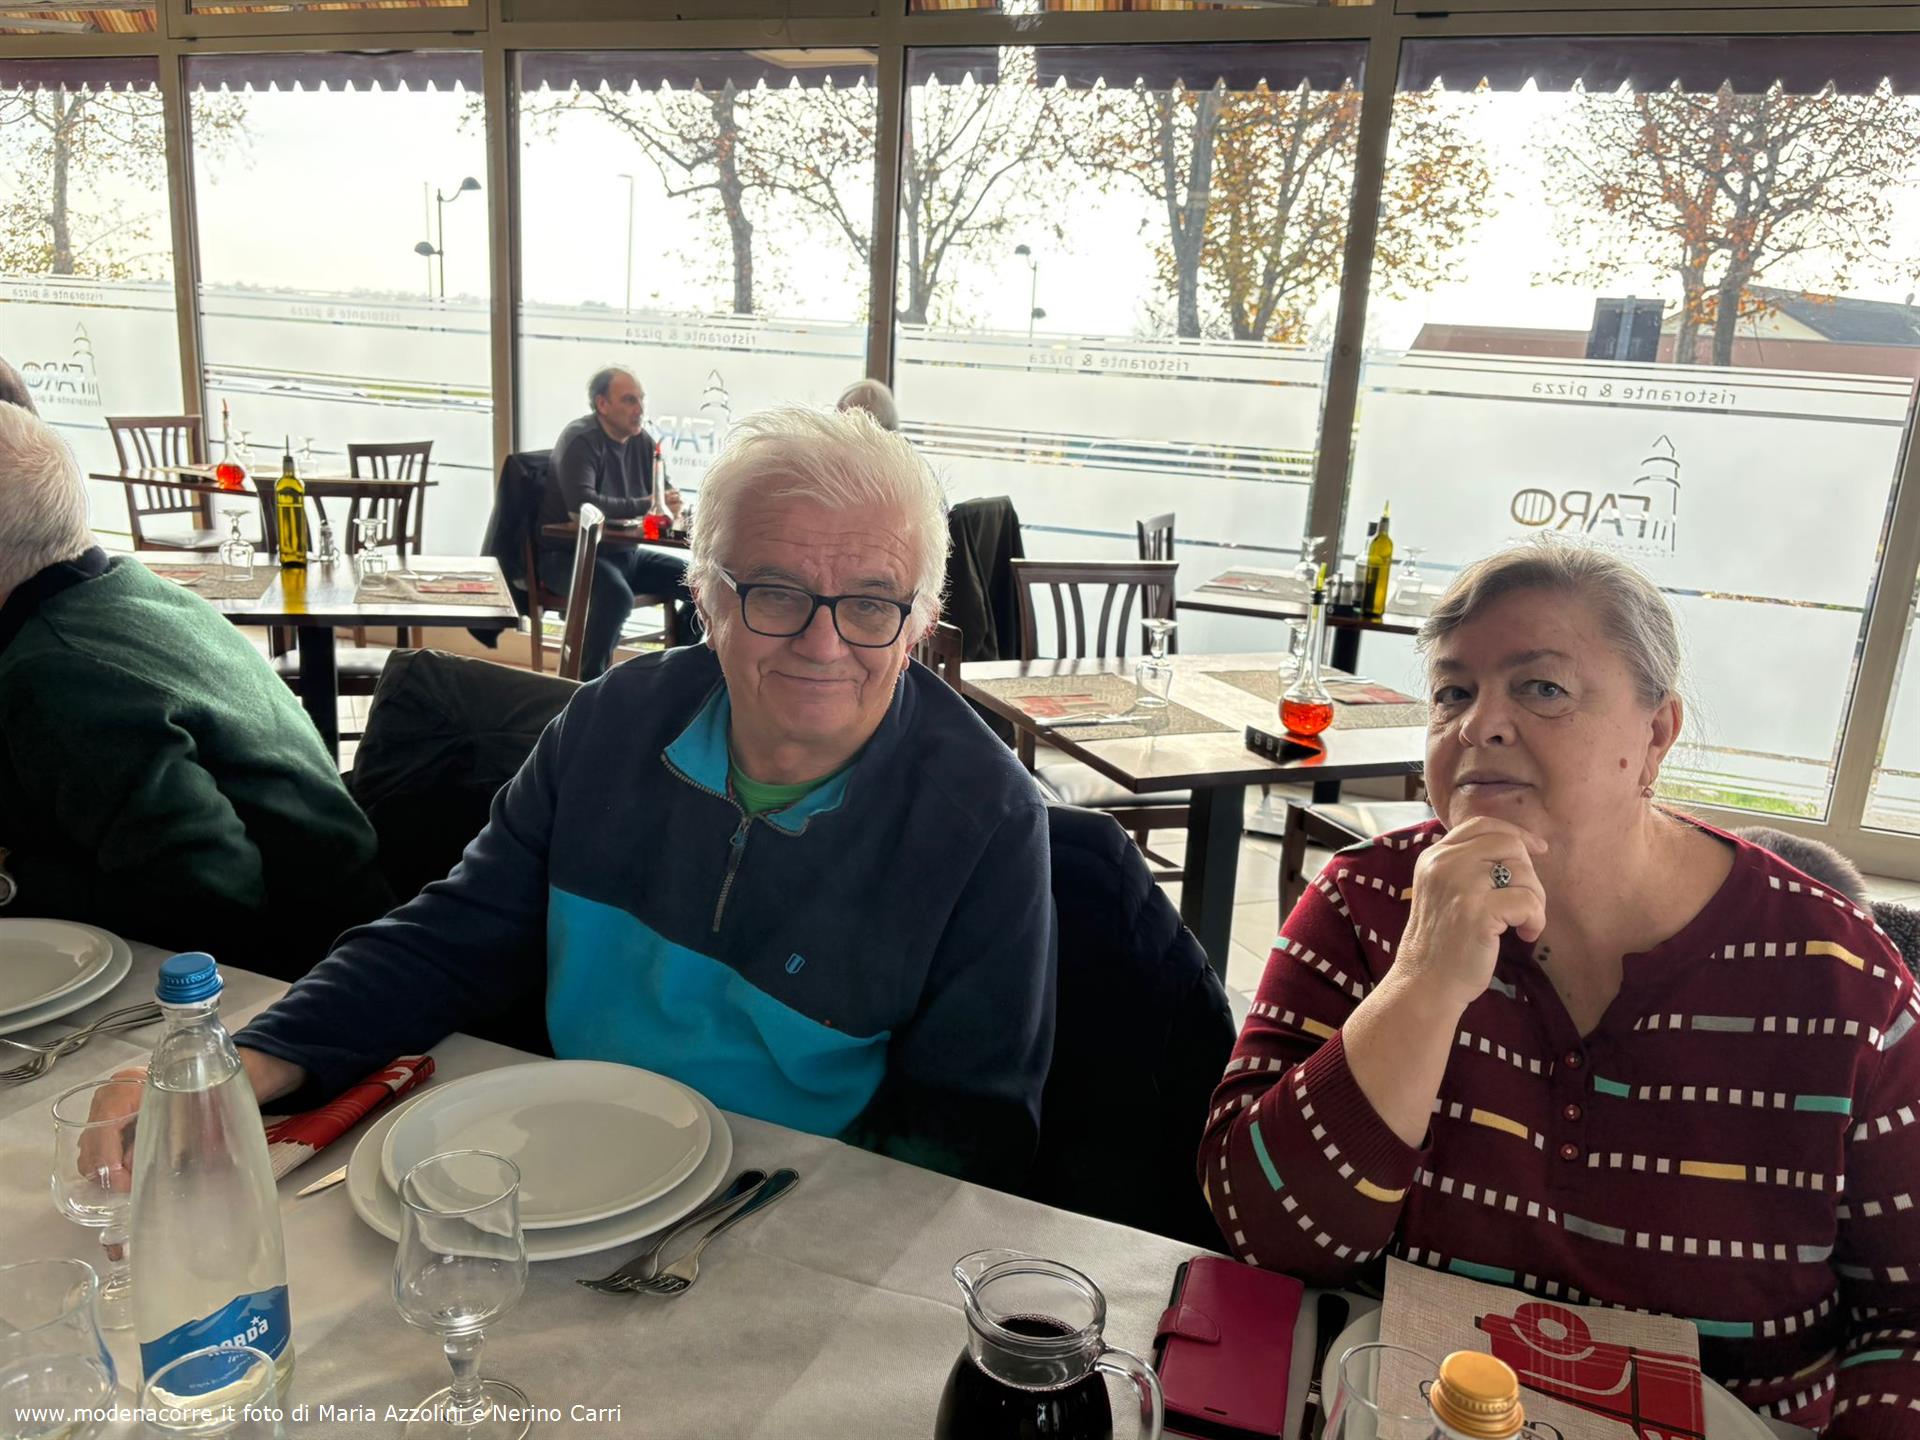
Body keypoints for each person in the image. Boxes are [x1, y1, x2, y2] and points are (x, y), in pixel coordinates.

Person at [114, 406, 1054, 1185]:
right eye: (774, 592)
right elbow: (454, 934)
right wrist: (250, 1061)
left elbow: (965, 1134)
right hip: (556, 1148)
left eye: (873, 603)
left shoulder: (985, 823)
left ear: (921, 622)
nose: (822, 642)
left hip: (787, 1199)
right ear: (705, 597)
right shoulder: (612, 721)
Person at [1199, 538, 1920, 1435]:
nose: (1479, 726)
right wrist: (1424, 978)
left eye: (1541, 688)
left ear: (1656, 735)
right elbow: (1263, 1231)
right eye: (1453, 692)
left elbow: (1907, 1319)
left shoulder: (1840, 980)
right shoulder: (1367, 902)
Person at [0, 403, 392, 977]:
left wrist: (12, 879)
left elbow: (207, 901)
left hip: (304, 973)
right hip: (352, 923)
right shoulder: (129, 589)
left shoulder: (57, 672)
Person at [536, 366, 700, 679]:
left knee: (701, 584)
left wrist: (670, 502)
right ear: (602, 404)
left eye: (641, 399)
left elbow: (662, 494)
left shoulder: (642, 442)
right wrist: (648, 503)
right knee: (615, 595)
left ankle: (673, 673)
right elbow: (583, 507)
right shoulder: (580, 440)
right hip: (569, 557)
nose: (640, 409)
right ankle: (586, 685)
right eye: (629, 400)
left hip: (623, 553)